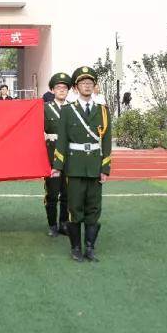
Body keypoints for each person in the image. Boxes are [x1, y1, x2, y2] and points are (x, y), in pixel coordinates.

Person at [51, 66, 111, 262]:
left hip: (94, 166)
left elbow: (107, 141)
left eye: (90, 83)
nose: (87, 85)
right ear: (76, 88)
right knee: (75, 208)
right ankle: (76, 248)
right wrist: (58, 166)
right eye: (83, 83)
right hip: (75, 167)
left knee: (94, 208)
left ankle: (90, 247)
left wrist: (105, 167)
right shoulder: (68, 111)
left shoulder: (102, 111)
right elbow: (61, 140)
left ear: (94, 87)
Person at [43, 72, 74, 237]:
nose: (61, 90)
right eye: (58, 88)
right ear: (52, 90)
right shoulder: (46, 108)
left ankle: (64, 223)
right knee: (52, 192)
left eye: (64, 88)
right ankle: (52, 224)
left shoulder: (73, 108)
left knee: (67, 193)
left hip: (70, 155)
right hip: (52, 154)